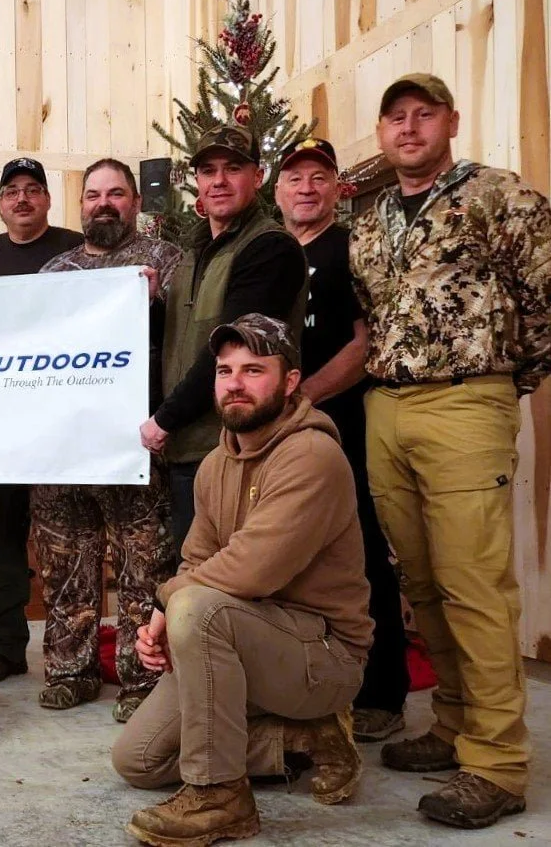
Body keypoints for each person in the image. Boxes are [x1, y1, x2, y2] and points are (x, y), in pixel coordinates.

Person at [349, 73, 551, 829]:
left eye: (422, 115)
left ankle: (495, 761)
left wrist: (504, 382)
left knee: (474, 583)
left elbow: (544, 294)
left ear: (450, 121)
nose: (408, 128)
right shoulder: (370, 224)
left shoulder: (499, 195)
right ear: (381, 134)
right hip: (387, 405)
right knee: (423, 582)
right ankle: (453, 721)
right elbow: (370, 314)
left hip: (466, 399)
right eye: (394, 118)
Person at [114, 314, 371, 847]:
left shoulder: (313, 455)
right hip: (240, 637)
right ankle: (303, 740)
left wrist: (166, 607)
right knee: (138, 760)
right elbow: (196, 561)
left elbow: (252, 570)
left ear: (291, 381)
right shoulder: (214, 465)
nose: (234, 383)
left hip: (321, 657)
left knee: (196, 609)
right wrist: (172, 608)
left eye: (254, 370)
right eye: (225, 370)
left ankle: (219, 796)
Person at [33, 158, 182, 722]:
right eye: (94, 194)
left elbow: (188, 342)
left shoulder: (167, 263)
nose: (104, 203)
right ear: (81, 206)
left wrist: (157, 302)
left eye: (116, 193)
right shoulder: (54, 273)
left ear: (136, 202)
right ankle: (70, 670)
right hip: (66, 447)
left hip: (137, 444)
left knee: (143, 566)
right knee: (65, 562)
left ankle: (141, 681)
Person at [274, 136, 410, 743]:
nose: (306, 187)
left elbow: (364, 344)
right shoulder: (269, 253)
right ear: (277, 190)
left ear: (337, 187)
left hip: (342, 424)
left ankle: (383, 692)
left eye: (318, 177)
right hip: (275, 430)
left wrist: (301, 399)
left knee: (360, 554)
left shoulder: (352, 249)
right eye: (295, 177)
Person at [141, 119, 308, 552]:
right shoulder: (194, 253)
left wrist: (164, 420)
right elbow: (183, 340)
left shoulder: (269, 249)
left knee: (229, 589)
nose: (218, 181)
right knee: (193, 580)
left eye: (232, 168)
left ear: (257, 176)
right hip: (191, 452)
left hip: (241, 451)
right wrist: (153, 304)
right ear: (195, 181)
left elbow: (233, 349)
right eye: (208, 170)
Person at [0, 157, 83, 685]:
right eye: (13, 191)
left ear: (49, 200)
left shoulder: (79, 252)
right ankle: (4, 648)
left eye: (34, 189)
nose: (23, 199)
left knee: (67, 545)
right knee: (0, 545)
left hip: (66, 429)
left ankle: (69, 652)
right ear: (1, 203)